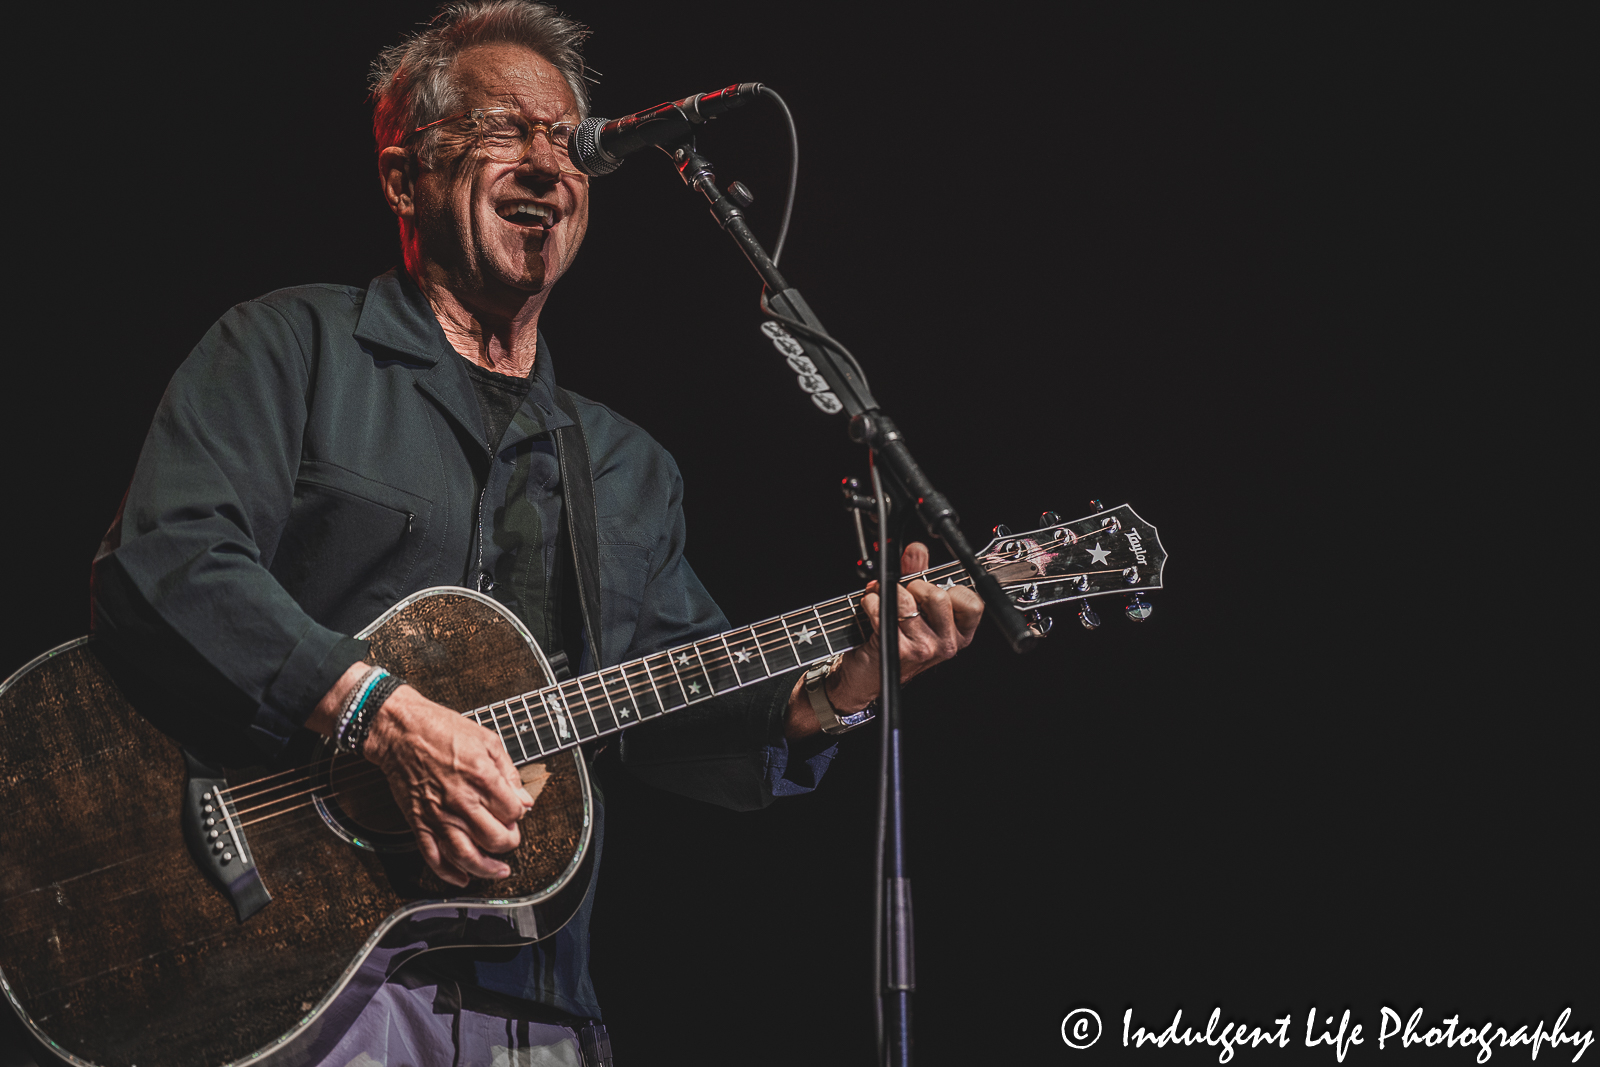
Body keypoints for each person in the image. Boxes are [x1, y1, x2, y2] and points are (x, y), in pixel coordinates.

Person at [87, 2, 982, 1063]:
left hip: (539, 1003)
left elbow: (678, 704)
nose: (550, 162)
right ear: (402, 175)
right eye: (506, 130)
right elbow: (167, 563)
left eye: (569, 139)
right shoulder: (290, 347)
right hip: (291, 974)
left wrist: (851, 681)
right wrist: (372, 710)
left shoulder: (625, 466)